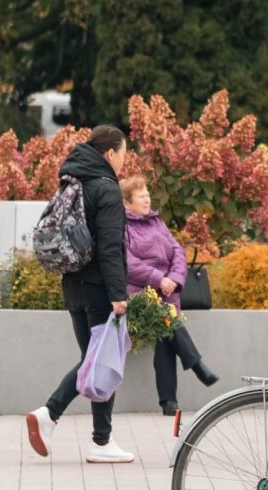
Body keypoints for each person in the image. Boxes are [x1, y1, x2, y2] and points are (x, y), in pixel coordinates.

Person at [25, 125, 134, 464]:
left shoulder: (72, 181)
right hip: (101, 287)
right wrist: (119, 293)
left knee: (94, 360)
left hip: (72, 284)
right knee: (101, 361)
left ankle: (99, 440)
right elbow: (111, 248)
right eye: (123, 153)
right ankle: (57, 417)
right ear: (109, 154)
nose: (123, 160)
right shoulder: (106, 189)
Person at [120, 175, 218, 414]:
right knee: (166, 320)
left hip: (167, 293)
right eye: (140, 196)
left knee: (165, 332)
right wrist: (158, 279)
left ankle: (169, 402)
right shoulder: (122, 227)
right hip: (141, 295)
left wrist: (173, 280)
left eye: (147, 195)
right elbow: (127, 263)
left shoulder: (157, 222)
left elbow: (178, 252)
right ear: (127, 203)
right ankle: (195, 365)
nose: (146, 200)